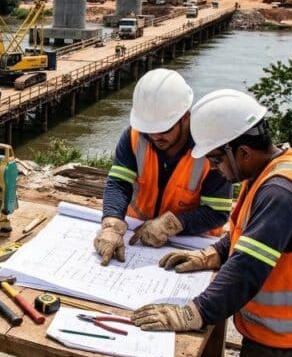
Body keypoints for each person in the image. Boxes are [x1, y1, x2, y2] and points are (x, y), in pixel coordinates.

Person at [132, 89, 292, 357]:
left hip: (290, 340)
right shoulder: (271, 171)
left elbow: (246, 270)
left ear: (242, 152)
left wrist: (192, 313)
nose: (215, 169)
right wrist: (215, 253)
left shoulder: (279, 192)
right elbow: (247, 234)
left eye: (217, 159)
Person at [94, 68, 233, 266]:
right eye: (149, 130)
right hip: (138, 238)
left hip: (193, 246)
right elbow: (118, 183)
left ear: (185, 117)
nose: (155, 137)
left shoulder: (210, 149)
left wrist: (170, 224)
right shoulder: (134, 137)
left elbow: (217, 212)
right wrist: (112, 223)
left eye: (164, 129)